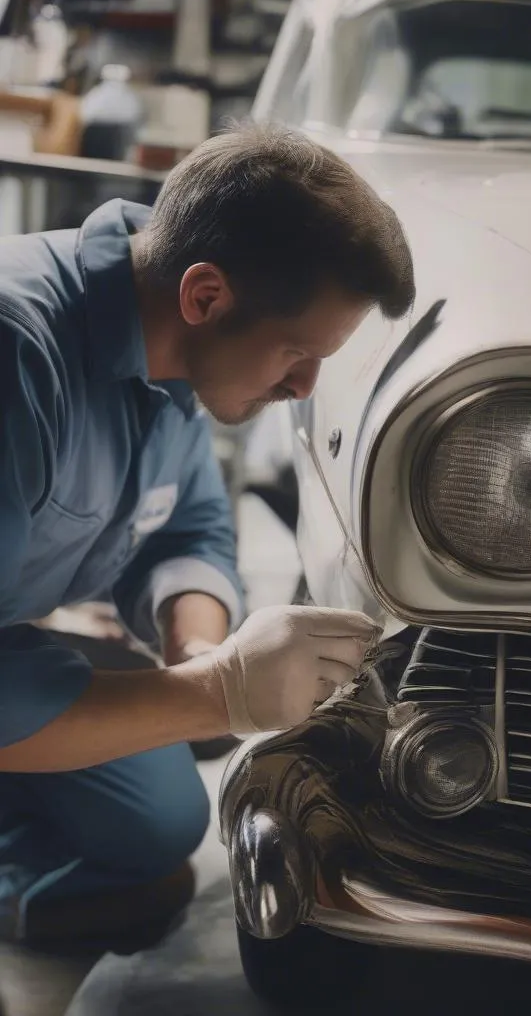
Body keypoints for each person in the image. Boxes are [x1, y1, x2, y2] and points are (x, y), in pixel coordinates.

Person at [0, 122, 416, 949]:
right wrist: (218, 691)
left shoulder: (173, 345)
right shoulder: (19, 357)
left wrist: (196, 648)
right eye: (296, 354)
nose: (304, 388)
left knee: (158, 823)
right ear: (205, 295)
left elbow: (183, 523)